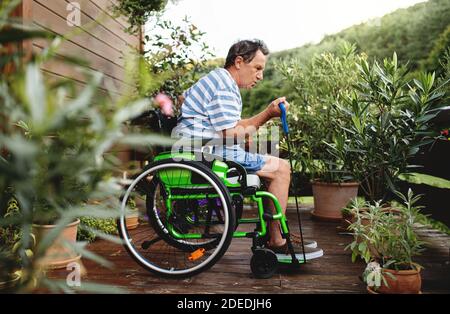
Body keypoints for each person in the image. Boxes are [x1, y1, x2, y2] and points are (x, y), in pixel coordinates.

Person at [173, 39, 322, 260]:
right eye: (258, 68)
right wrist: (267, 114)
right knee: (281, 168)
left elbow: (184, 98)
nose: (260, 76)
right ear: (239, 61)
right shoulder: (224, 85)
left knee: (270, 163)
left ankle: (276, 235)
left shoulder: (216, 79)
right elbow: (229, 133)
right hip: (206, 152)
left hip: (197, 148)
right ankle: (278, 241)